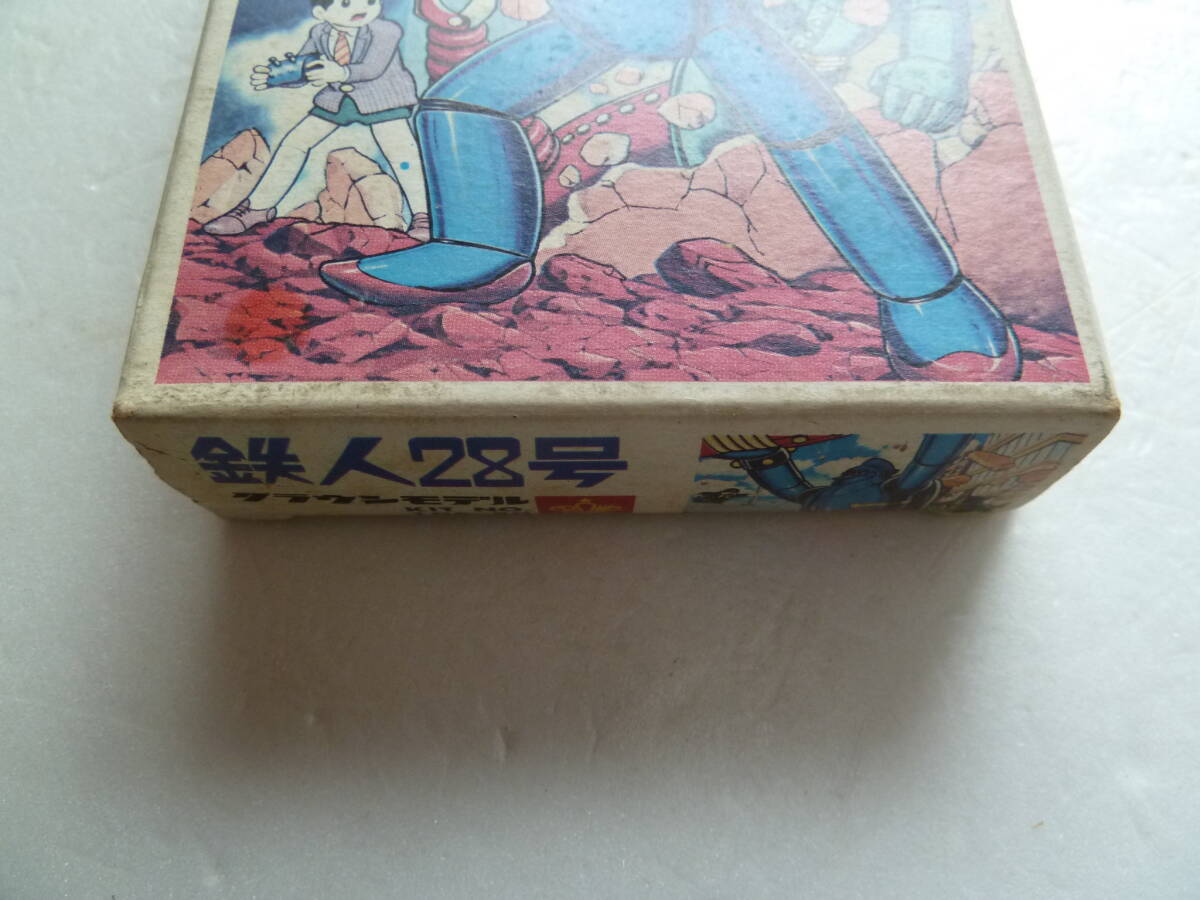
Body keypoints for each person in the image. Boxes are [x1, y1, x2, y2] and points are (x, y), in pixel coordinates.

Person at [205, 0, 430, 240]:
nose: (361, 7)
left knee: (401, 153)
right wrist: (273, 78)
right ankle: (257, 209)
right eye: (346, 3)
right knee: (294, 144)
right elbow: (304, 67)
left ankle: (423, 217)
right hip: (337, 99)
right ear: (321, 12)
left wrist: (340, 72)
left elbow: (372, 67)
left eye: (370, 1)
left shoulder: (385, 30)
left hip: (382, 97)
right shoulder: (320, 32)